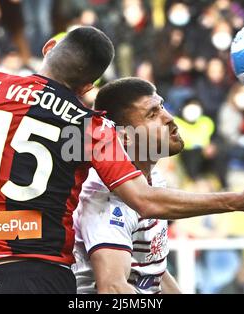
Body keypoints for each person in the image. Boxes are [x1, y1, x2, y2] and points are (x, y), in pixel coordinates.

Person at [0, 26, 244, 294]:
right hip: (44, 277)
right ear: (86, 88)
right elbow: (142, 199)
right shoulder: (89, 126)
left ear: (50, 51)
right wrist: (237, 201)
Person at [73, 78, 181, 294]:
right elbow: (113, 288)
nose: (169, 118)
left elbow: (153, 274)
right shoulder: (104, 196)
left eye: (162, 106)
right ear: (125, 137)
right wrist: (237, 201)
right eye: (152, 114)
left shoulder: (155, 178)